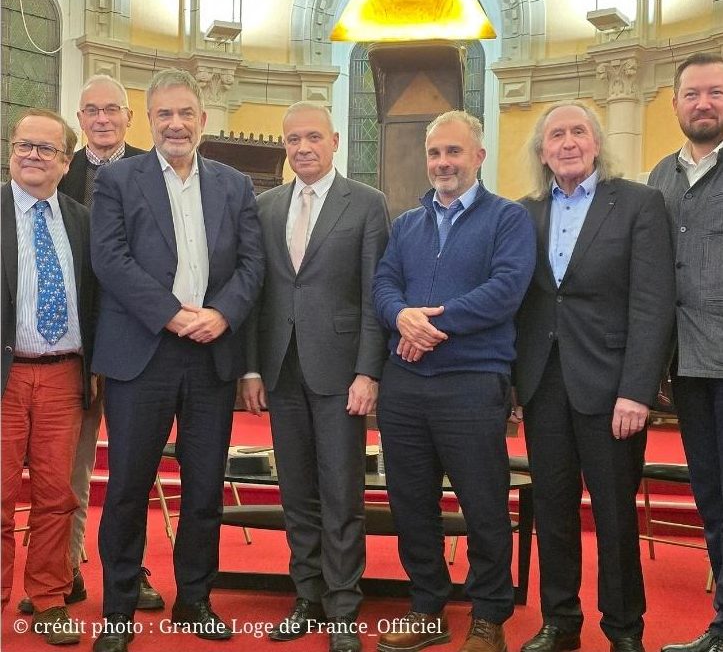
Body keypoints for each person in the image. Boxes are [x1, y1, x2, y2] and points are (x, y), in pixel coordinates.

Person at [91, 68, 264, 652]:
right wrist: (170, 313)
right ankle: (118, 612)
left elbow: (251, 266)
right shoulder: (117, 180)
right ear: (148, 119)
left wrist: (221, 316)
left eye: (186, 113)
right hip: (142, 353)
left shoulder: (235, 185)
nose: (176, 124)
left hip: (210, 354)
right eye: (164, 114)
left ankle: (194, 599)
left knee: (204, 490)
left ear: (203, 120)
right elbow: (110, 260)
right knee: (126, 489)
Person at [372, 110, 536, 652]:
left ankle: (489, 615)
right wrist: (401, 317)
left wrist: (428, 323)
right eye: (435, 153)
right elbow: (384, 284)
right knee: (411, 502)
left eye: (454, 152)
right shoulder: (407, 224)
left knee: (483, 503)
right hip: (405, 387)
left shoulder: (507, 219)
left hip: (472, 382)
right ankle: (427, 606)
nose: (443, 162)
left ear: (479, 157)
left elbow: (506, 289)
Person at [515, 101, 676, 652]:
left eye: (577, 132)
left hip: (612, 389)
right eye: (555, 134)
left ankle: (624, 629)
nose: (567, 142)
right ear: (541, 150)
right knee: (554, 511)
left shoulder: (638, 204)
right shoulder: (525, 213)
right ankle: (560, 622)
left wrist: (637, 390)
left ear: (596, 142)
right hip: (543, 384)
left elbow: (653, 305)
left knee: (613, 517)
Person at [241, 101, 389, 652]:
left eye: (312, 138)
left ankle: (344, 605)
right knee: (297, 489)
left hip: (341, 372)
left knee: (341, 490)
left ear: (333, 141)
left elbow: (377, 296)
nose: (302, 148)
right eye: (292, 140)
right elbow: (259, 296)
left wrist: (368, 372)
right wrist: (252, 367)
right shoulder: (266, 207)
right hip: (280, 369)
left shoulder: (368, 205)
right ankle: (307, 593)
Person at [15, 74, 163, 616]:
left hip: (133, 352)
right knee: (69, 477)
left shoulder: (157, 171)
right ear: (79, 122)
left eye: (112, 110)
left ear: (129, 117)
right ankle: (67, 573)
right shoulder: (57, 170)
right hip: (69, 355)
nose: (102, 118)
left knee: (131, 472)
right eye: (91, 110)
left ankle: (131, 572)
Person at [1, 109, 97, 644]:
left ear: (66, 161)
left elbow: (97, 298)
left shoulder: (81, 220)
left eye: (45, 149)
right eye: (23, 145)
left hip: (64, 376)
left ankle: (50, 597)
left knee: (58, 495)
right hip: (4, 376)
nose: (32, 156)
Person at [648, 52, 723, 652]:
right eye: (693, 94)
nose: (704, 103)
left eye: (716, 92)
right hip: (688, 366)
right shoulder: (659, 179)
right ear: (673, 103)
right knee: (713, 499)